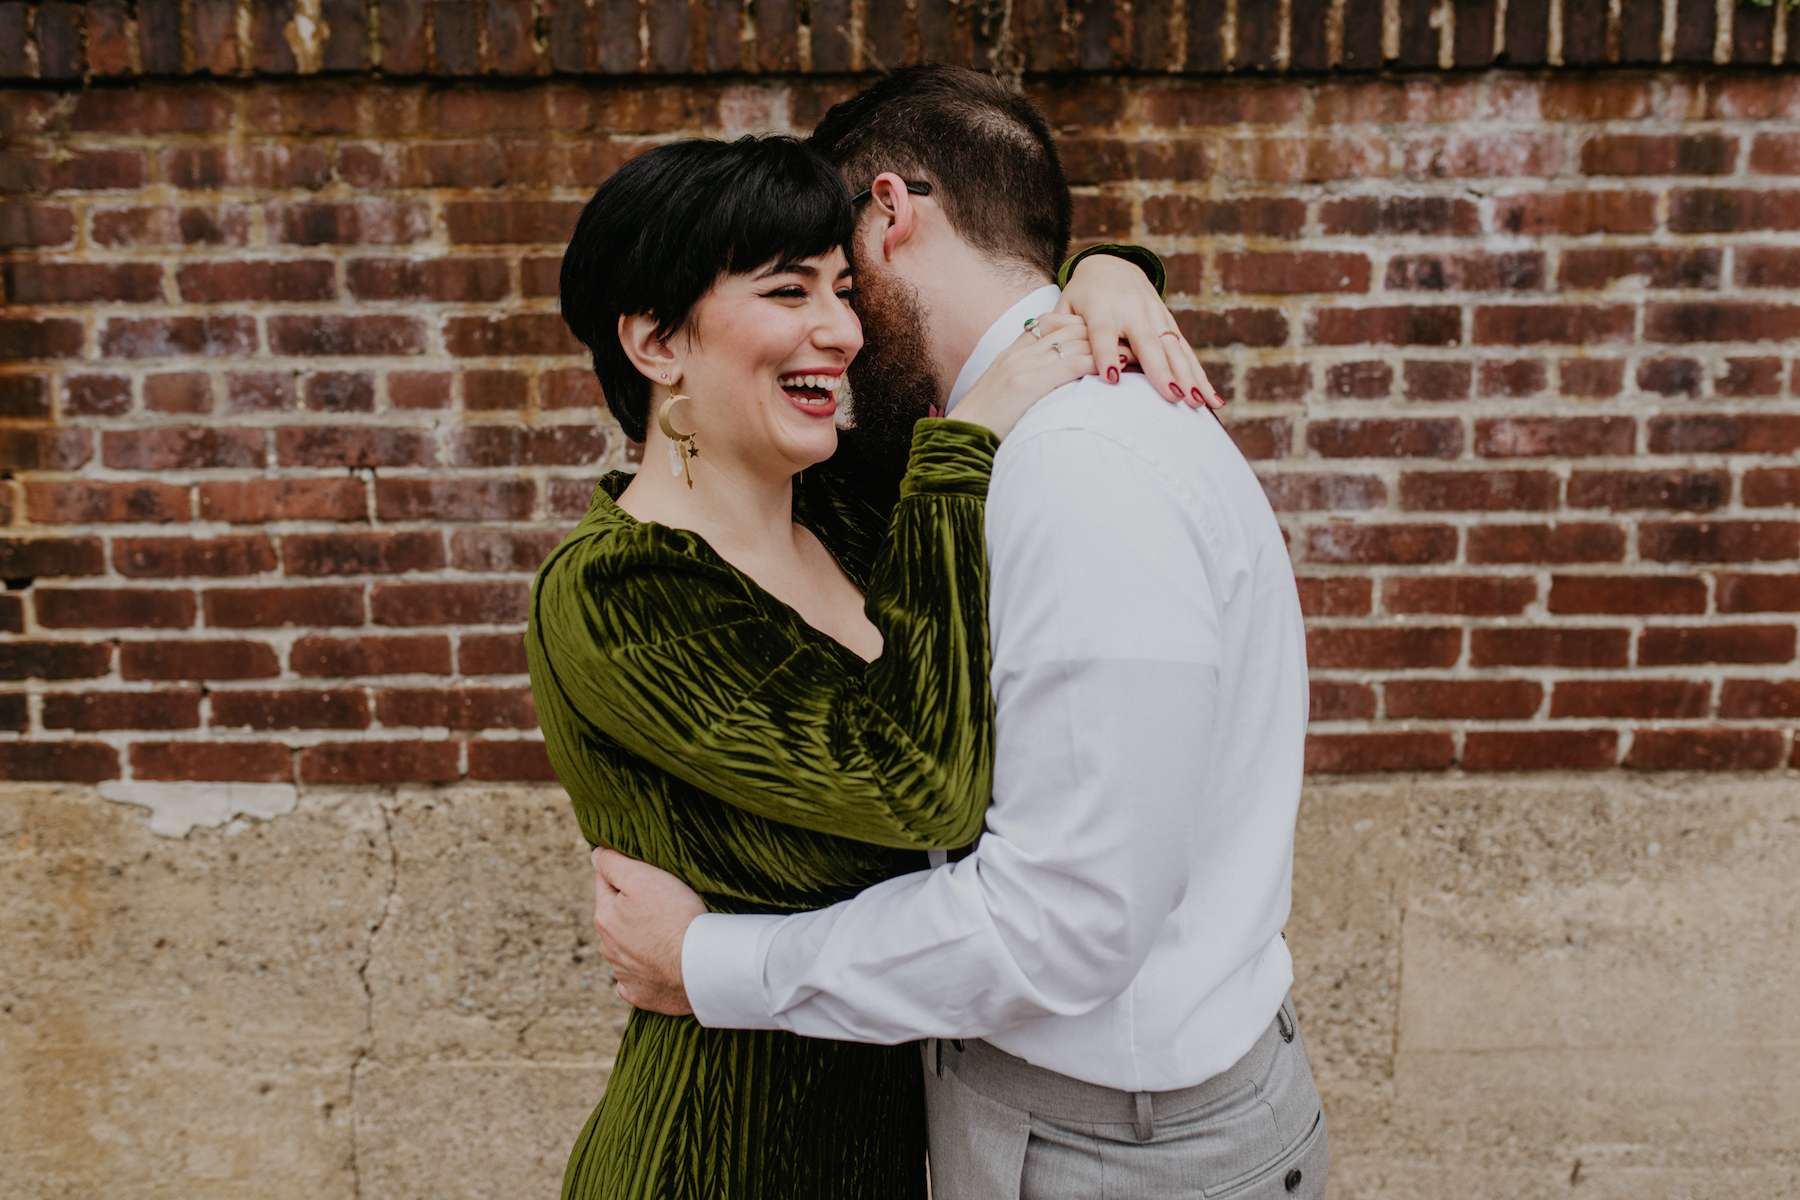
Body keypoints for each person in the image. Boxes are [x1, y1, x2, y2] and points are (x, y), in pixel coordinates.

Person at [589, 65, 1329, 1200]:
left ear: (890, 212)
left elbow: (1059, 927)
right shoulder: (1018, 438)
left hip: (1113, 1153)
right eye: (796, 288)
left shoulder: (1075, 469)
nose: (840, 328)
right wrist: (1108, 268)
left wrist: (711, 962)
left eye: (840, 276)